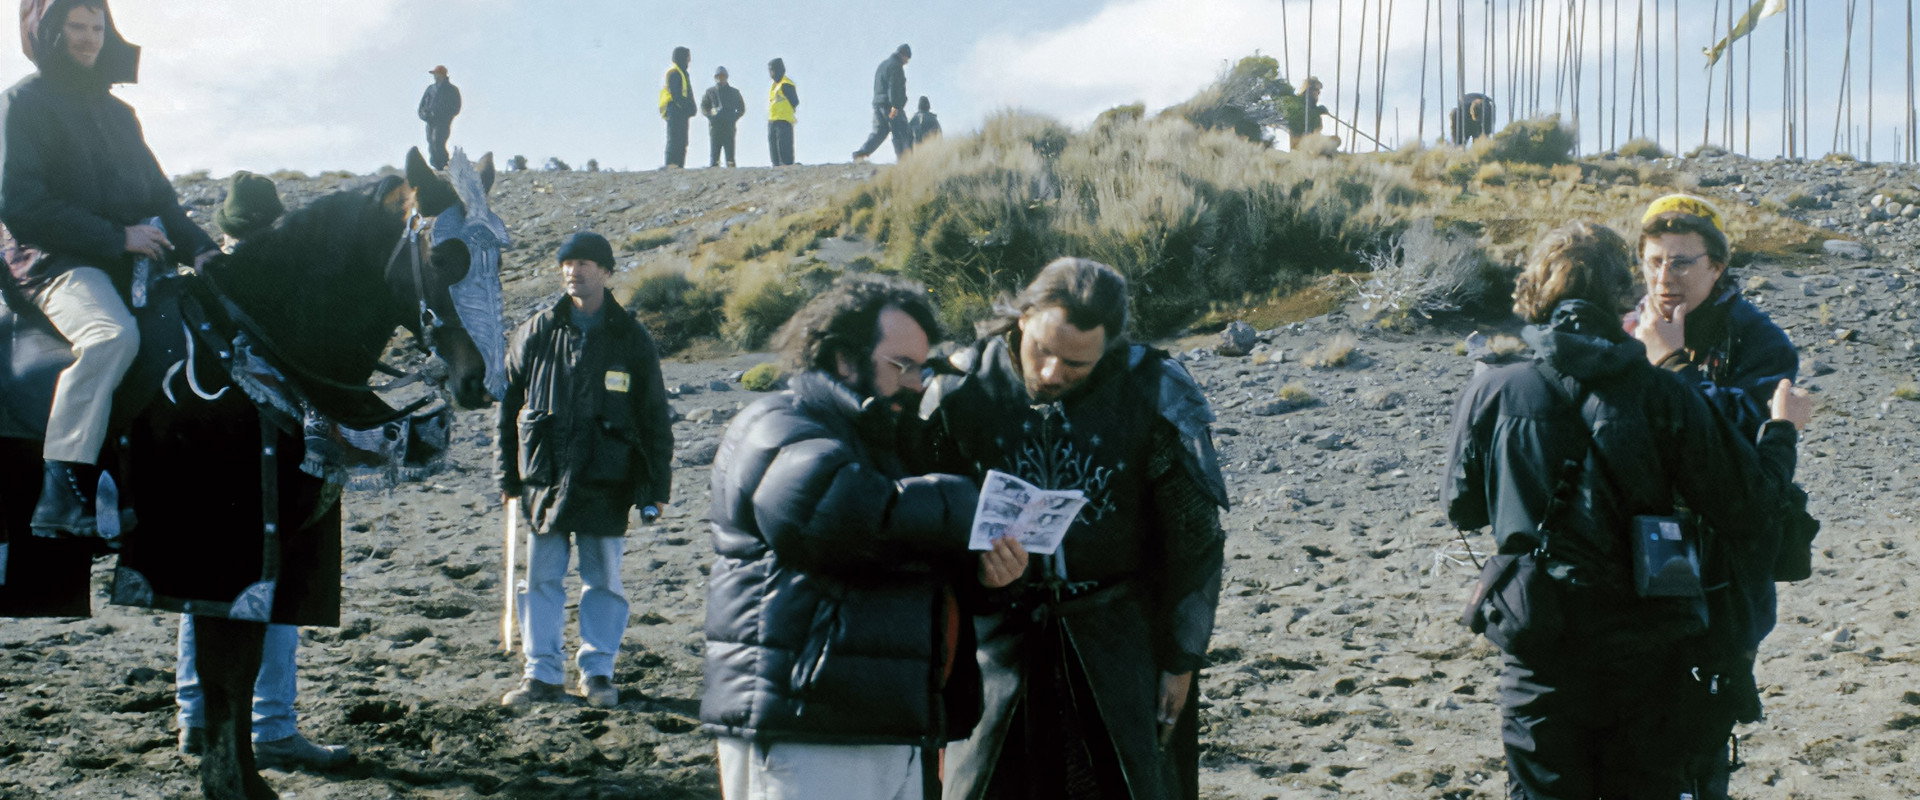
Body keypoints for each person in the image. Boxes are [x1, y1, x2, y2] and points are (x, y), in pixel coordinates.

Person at [1444, 221, 1813, 799]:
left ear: (1534, 292)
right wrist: (1782, 433)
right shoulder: (1666, 394)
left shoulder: (1494, 387)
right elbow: (1750, 509)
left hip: (1538, 641)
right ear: (1623, 294)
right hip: (1651, 651)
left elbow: (1461, 506)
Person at [701, 274, 1029, 800]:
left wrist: (990, 576)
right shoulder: (774, 424)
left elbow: (911, 562)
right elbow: (846, 516)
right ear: (843, 359)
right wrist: (972, 501)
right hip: (806, 725)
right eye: (901, 366)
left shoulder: (891, 446)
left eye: (922, 367)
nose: (918, 382)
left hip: (891, 723)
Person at [924, 258, 1229, 800]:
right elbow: (920, 531)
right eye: (1042, 350)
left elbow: (1195, 537)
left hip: (1119, 642)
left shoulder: (1150, 391)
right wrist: (977, 575)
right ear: (1022, 318)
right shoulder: (960, 391)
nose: (1051, 373)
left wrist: (1180, 660)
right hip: (993, 648)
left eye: (1076, 364)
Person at [1, 0, 218, 539]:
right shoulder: (22, 102)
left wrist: (206, 253)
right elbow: (21, 202)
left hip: (125, 259)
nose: (88, 37)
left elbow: (163, 202)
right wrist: (115, 237)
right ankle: (62, 484)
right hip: (51, 260)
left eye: (97, 26)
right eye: (75, 26)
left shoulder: (119, 114)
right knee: (109, 336)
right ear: (48, 32)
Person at [1631, 194, 1807, 797]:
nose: (1665, 277)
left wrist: (1672, 363)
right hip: (1629, 559)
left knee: (1701, 728)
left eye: (1682, 262)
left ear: (1717, 267)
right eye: (1654, 261)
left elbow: (1738, 444)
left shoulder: (1759, 341)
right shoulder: (1625, 328)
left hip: (1721, 569)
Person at [172, 171, 349, 770]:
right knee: (274, 588)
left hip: (210, 464)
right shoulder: (289, 294)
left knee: (206, 588)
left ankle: (198, 719)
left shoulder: (193, 291)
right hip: (259, 465)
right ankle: (266, 724)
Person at [497, 232, 672, 709]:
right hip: (544, 479)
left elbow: (654, 414)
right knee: (540, 581)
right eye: (568, 262)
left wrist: (657, 487)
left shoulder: (630, 336)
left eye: (587, 263)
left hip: (607, 478)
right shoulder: (536, 330)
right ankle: (543, 675)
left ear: (607, 272)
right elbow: (508, 407)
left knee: (604, 582)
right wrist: (506, 479)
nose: (575, 270)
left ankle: (598, 674)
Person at [852, 44, 913, 162]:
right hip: (890, 106)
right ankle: (905, 161)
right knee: (901, 131)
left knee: (880, 131)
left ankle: (860, 154)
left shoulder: (883, 65)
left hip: (878, 104)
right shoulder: (896, 66)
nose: (907, 62)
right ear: (903, 55)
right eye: (907, 59)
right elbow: (894, 87)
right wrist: (895, 106)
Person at [417, 65, 462, 170]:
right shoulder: (430, 89)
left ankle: (444, 165)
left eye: (436, 74)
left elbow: (456, 107)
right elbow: (422, 105)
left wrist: (445, 116)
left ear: (442, 74)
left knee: (438, 142)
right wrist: (424, 115)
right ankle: (437, 166)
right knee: (431, 143)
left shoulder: (452, 89)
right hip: (430, 121)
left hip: (443, 122)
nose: (435, 76)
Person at [700, 66, 745, 168]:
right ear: (715, 77)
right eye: (719, 76)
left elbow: (741, 108)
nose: (721, 78)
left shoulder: (734, 92)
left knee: (730, 157)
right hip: (715, 127)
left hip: (729, 127)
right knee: (714, 157)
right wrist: (711, 116)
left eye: (723, 76)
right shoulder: (710, 92)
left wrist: (733, 117)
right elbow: (703, 107)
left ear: (726, 77)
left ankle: (733, 177)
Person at [659, 47, 696, 169]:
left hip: (682, 111)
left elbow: (687, 92)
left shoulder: (683, 73)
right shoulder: (674, 72)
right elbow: (676, 94)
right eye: (687, 57)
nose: (689, 60)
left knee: (682, 140)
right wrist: (686, 107)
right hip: (675, 109)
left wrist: (691, 107)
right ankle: (671, 165)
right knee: (674, 138)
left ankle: (679, 166)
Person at [767, 58, 799, 166]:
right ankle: (776, 167)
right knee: (773, 148)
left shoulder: (786, 84)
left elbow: (795, 101)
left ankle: (786, 167)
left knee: (784, 148)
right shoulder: (774, 86)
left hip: (784, 120)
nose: (771, 73)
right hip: (772, 120)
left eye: (772, 70)